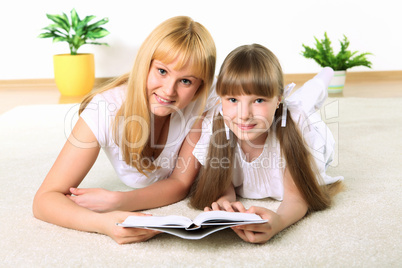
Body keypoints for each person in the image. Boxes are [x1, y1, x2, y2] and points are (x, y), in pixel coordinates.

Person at [33, 16, 217, 244]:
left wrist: (120, 201)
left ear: (200, 86)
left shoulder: (203, 102)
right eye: (162, 71)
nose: (169, 90)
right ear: (145, 64)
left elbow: (181, 183)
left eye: (186, 81)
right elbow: (44, 200)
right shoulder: (105, 109)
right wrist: (104, 223)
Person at [189, 44, 344, 244]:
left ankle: (325, 75)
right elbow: (224, 184)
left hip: (295, 123)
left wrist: (278, 222)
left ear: (278, 99)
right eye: (233, 99)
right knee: (302, 98)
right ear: (220, 99)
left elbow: (296, 197)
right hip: (273, 115)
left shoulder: (298, 125)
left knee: (308, 98)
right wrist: (226, 202)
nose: (244, 115)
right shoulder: (216, 123)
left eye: (259, 100)